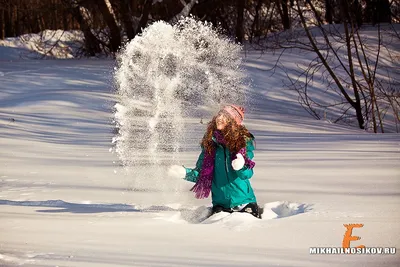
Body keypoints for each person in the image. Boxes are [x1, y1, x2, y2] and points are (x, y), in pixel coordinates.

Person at [169, 104, 262, 219]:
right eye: (219, 114)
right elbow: (202, 175)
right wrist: (184, 173)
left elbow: (247, 174)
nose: (220, 118)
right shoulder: (210, 145)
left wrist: (242, 165)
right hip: (220, 206)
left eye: (225, 116)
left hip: (244, 203)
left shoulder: (241, 143)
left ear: (233, 121)